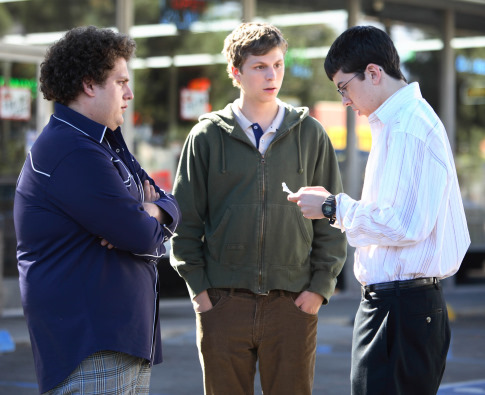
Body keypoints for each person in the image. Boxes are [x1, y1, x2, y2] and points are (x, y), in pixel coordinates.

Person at [287, 25, 471, 395]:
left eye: (343, 87)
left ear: (373, 73)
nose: (344, 100)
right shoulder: (397, 123)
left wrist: (331, 206)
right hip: (398, 305)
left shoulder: (407, 127)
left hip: (403, 307)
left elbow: (404, 224)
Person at [170, 22, 347, 395]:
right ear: (236, 72)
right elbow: (184, 222)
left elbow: (333, 217)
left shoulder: (310, 133)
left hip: (292, 305)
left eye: (278, 65)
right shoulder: (205, 137)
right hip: (223, 302)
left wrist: (318, 289)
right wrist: (201, 294)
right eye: (260, 66)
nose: (272, 75)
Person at [14, 26, 181, 394]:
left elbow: (167, 202)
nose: (130, 93)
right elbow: (137, 234)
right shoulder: (71, 151)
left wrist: (152, 210)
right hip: (93, 346)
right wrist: (144, 216)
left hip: (121, 340)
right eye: (120, 81)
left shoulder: (103, 142)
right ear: (90, 85)